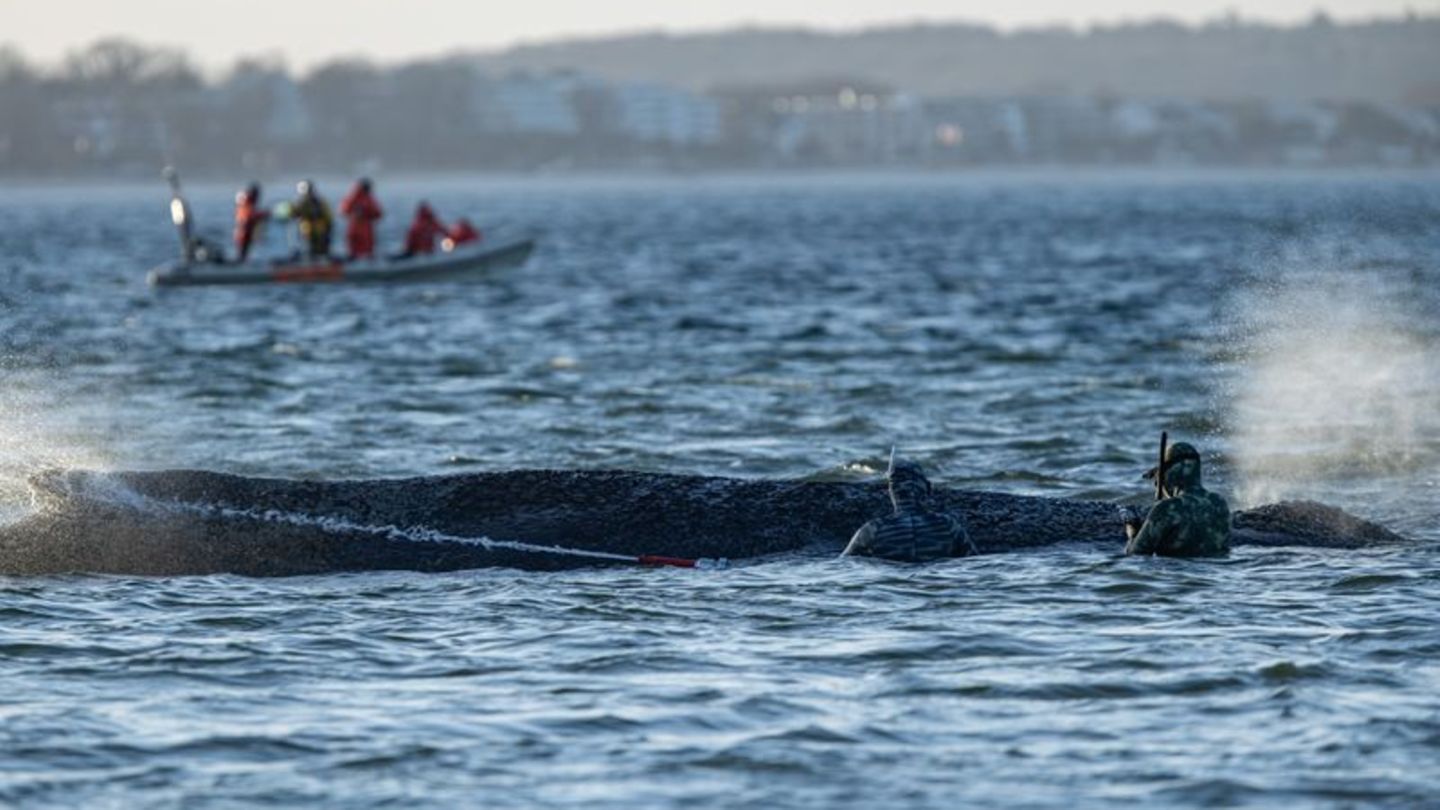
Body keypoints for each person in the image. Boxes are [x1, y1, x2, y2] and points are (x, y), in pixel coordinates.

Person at [842, 451, 976, 562]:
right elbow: (974, 563)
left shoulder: (872, 530)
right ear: (927, 489)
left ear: (890, 491)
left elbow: (844, 566)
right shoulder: (948, 526)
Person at [1123, 441, 1231, 557]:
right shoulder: (1219, 502)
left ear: (1171, 472)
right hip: (1214, 572)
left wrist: (1133, 535)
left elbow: (1136, 553)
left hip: (1174, 572)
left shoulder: (1166, 508)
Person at [338, 178, 383, 260]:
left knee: (366, 249)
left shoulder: (368, 198)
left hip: (364, 227)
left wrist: (367, 213)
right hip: (357, 227)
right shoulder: (355, 198)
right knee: (356, 249)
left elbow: (378, 213)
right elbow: (344, 211)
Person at [292, 180, 333, 259]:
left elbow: (329, 219)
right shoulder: (303, 203)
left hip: (317, 232)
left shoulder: (318, 202)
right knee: (310, 250)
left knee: (318, 250)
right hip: (309, 232)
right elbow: (295, 213)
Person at [232, 182, 268, 262]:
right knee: (242, 253)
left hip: (246, 233)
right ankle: (240, 265)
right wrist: (264, 214)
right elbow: (249, 215)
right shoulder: (246, 203)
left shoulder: (248, 204)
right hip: (243, 234)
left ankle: (242, 262)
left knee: (244, 253)